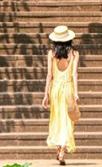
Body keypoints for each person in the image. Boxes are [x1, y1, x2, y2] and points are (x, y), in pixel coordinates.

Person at [42, 24, 79, 165]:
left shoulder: (51, 54)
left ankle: (58, 148)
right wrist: (76, 93)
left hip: (55, 89)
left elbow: (49, 75)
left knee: (57, 118)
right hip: (68, 88)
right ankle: (63, 149)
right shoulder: (74, 54)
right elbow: (74, 73)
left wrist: (46, 95)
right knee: (67, 120)